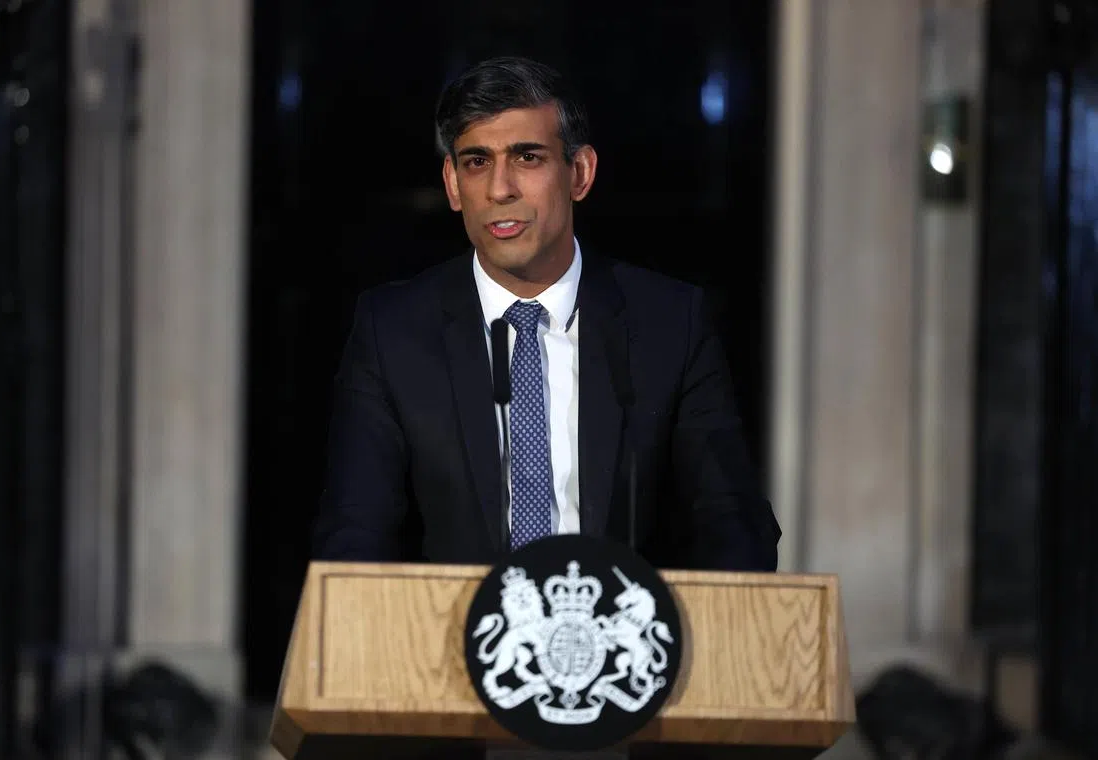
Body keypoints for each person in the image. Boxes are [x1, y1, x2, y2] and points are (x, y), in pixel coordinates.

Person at [312, 56, 780, 571]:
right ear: (451, 183)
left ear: (579, 173)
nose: (499, 190)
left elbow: (734, 524)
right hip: (447, 642)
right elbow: (354, 539)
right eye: (476, 162)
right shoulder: (393, 331)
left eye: (527, 158)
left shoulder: (670, 324)